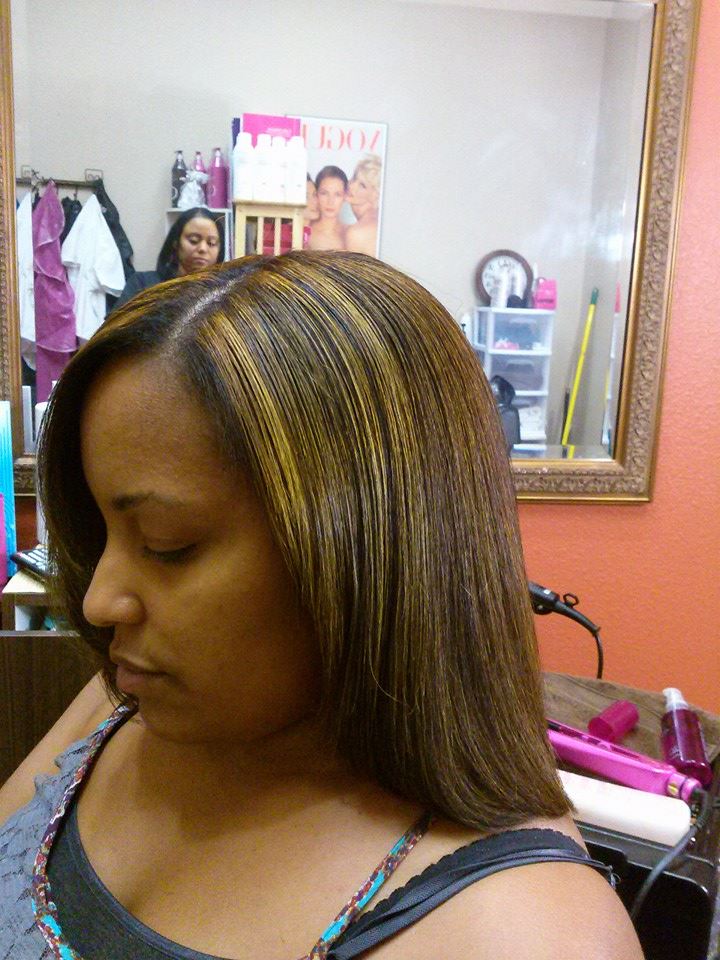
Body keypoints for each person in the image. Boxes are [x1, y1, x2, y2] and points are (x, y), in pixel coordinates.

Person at [0, 251, 643, 960]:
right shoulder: (125, 700)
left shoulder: (524, 937)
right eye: (101, 533)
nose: (99, 602)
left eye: (166, 544)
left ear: (373, 549)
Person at [114, 206, 224, 307]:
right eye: (193, 240)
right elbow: (116, 322)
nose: (203, 248)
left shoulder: (224, 293)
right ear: (176, 242)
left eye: (211, 243)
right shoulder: (142, 284)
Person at [345, 154, 382, 257]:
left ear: (375, 195)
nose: (351, 186)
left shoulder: (357, 233)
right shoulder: (380, 222)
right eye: (354, 177)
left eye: (362, 185)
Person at [307, 165, 348, 250]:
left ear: (345, 197)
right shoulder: (306, 232)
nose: (330, 201)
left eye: (337, 194)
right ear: (316, 194)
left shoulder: (351, 234)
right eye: (324, 193)